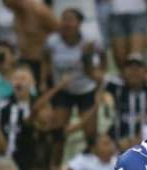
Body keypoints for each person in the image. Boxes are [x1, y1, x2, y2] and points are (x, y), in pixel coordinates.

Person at [44, 8, 104, 145]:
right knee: (57, 132)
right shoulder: (52, 41)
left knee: (90, 134)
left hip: (86, 88)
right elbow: (45, 58)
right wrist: (44, 80)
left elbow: (102, 54)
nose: (66, 23)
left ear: (79, 23)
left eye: (70, 20)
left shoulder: (89, 41)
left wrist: (101, 71)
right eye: (63, 19)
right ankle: (56, 163)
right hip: (63, 90)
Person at [104, 53, 147, 151]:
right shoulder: (117, 89)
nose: (134, 72)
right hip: (120, 148)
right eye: (130, 68)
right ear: (123, 72)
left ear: (145, 71)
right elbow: (98, 81)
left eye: (138, 68)